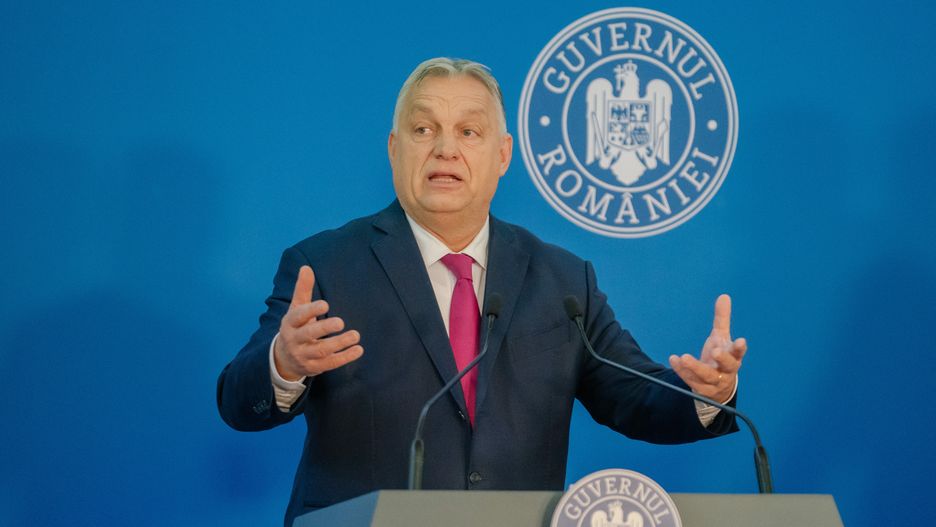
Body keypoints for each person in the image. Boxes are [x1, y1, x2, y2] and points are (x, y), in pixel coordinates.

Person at [216, 57, 747, 526]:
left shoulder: (562, 280)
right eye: (424, 129)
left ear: (503, 154)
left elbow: (634, 398)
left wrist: (706, 394)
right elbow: (239, 401)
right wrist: (283, 364)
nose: (445, 148)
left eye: (469, 132)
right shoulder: (325, 266)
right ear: (395, 149)